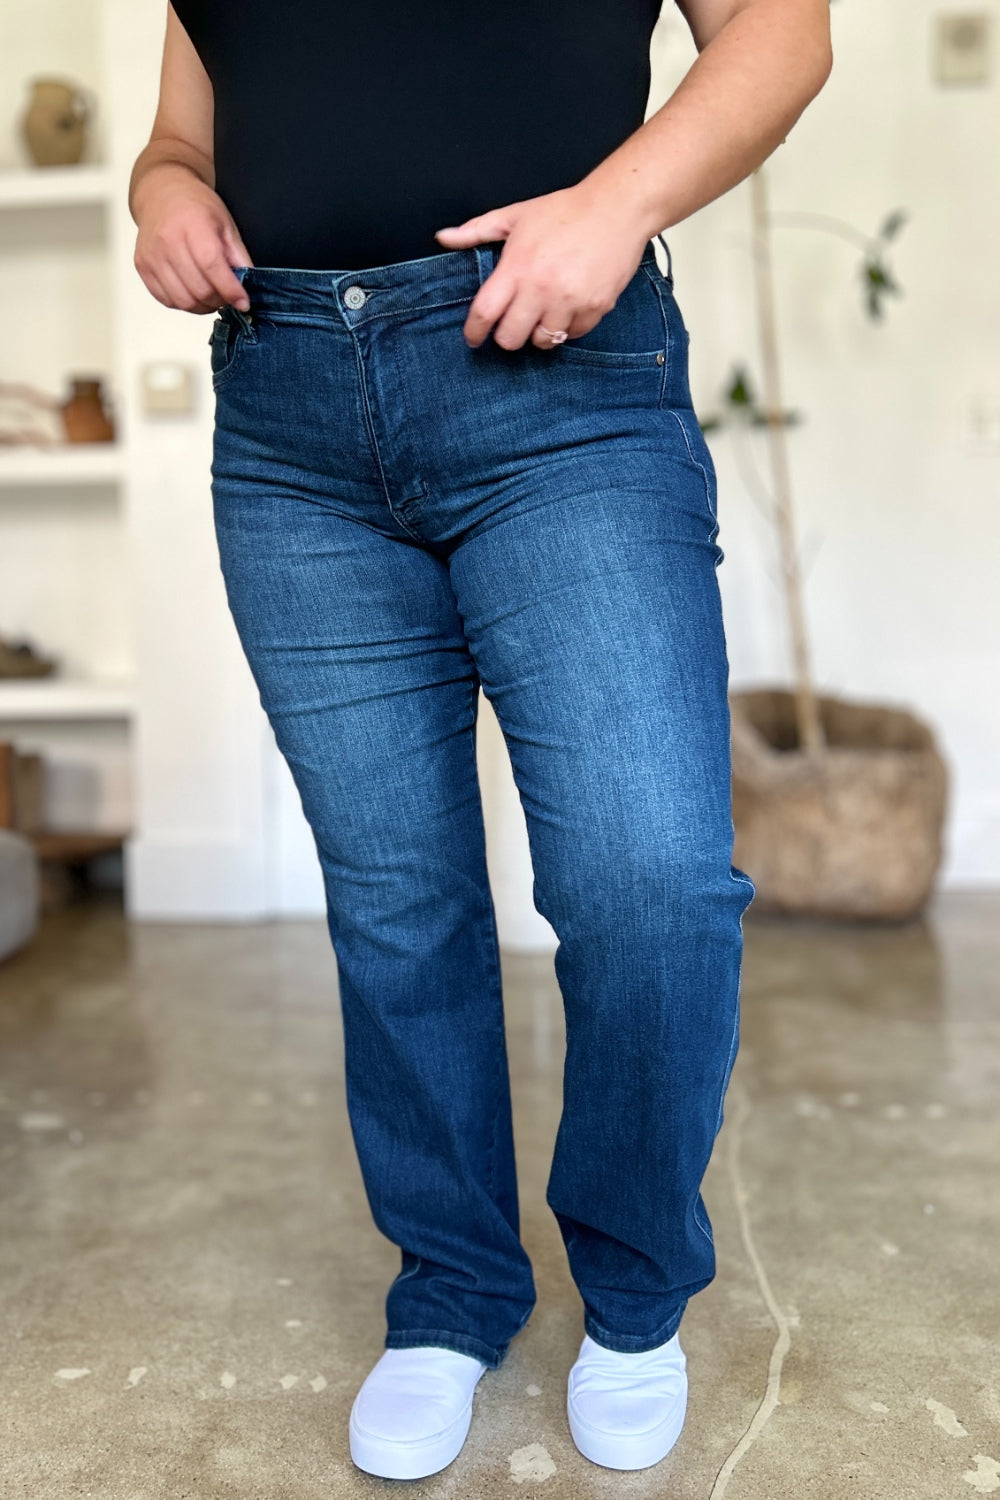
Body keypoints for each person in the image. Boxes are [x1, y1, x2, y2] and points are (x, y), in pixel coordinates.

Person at [128, 0, 832, 1479]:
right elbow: (184, 125)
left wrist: (615, 206)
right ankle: (450, 1290)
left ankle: (636, 1293)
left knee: (652, 882)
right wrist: (164, 190)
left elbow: (784, 31)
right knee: (396, 899)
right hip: (291, 411)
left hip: (562, 386)